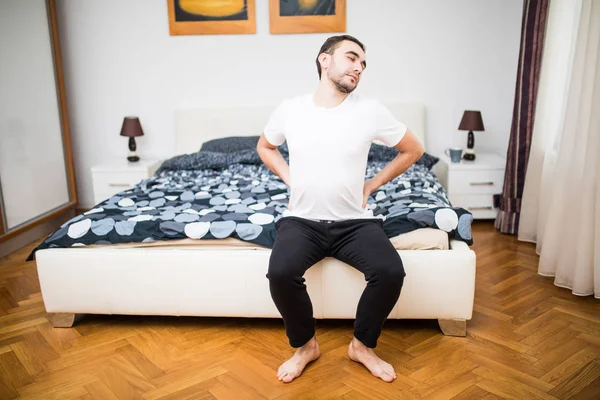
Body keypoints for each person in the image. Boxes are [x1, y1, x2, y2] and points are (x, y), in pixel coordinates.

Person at [256, 35, 424, 383]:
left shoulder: (370, 110)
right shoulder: (291, 109)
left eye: (363, 64)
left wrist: (371, 185)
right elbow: (265, 146)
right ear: (324, 60)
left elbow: (414, 149)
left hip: (355, 223)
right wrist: (290, 177)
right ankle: (305, 346)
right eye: (352, 58)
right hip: (301, 220)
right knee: (281, 273)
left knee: (390, 271)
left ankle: (362, 346)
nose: (359, 67)